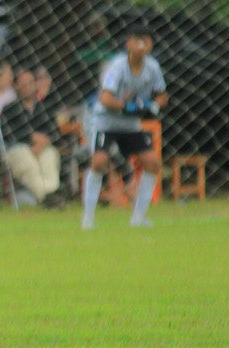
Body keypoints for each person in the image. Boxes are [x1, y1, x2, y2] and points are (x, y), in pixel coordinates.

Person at [81, 21, 167, 229]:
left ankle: (138, 217)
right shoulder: (117, 67)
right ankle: (88, 218)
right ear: (129, 43)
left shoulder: (153, 67)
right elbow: (105, 98)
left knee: (152, 163)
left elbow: (162, 95)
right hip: (107, 122)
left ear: (151, 45)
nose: (141, 46)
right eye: (137, 41)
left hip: (130, 125)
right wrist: (126, 106)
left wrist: (153, 105)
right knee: (99, 161)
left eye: (145, 42)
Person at [0, 67, 64, 208]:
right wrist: (31, 138)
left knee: (50, 156)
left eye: (30, 82)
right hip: (18, 149)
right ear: (16, 87)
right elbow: (8, 134)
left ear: (36, 84)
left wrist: (41, 143)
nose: (27, 86)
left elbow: (54, 133)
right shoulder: (9, 109)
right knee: (28, 162)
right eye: (23, 83)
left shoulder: (45, 108)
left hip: (43, 148)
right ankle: (47, 197)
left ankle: (51, 195)